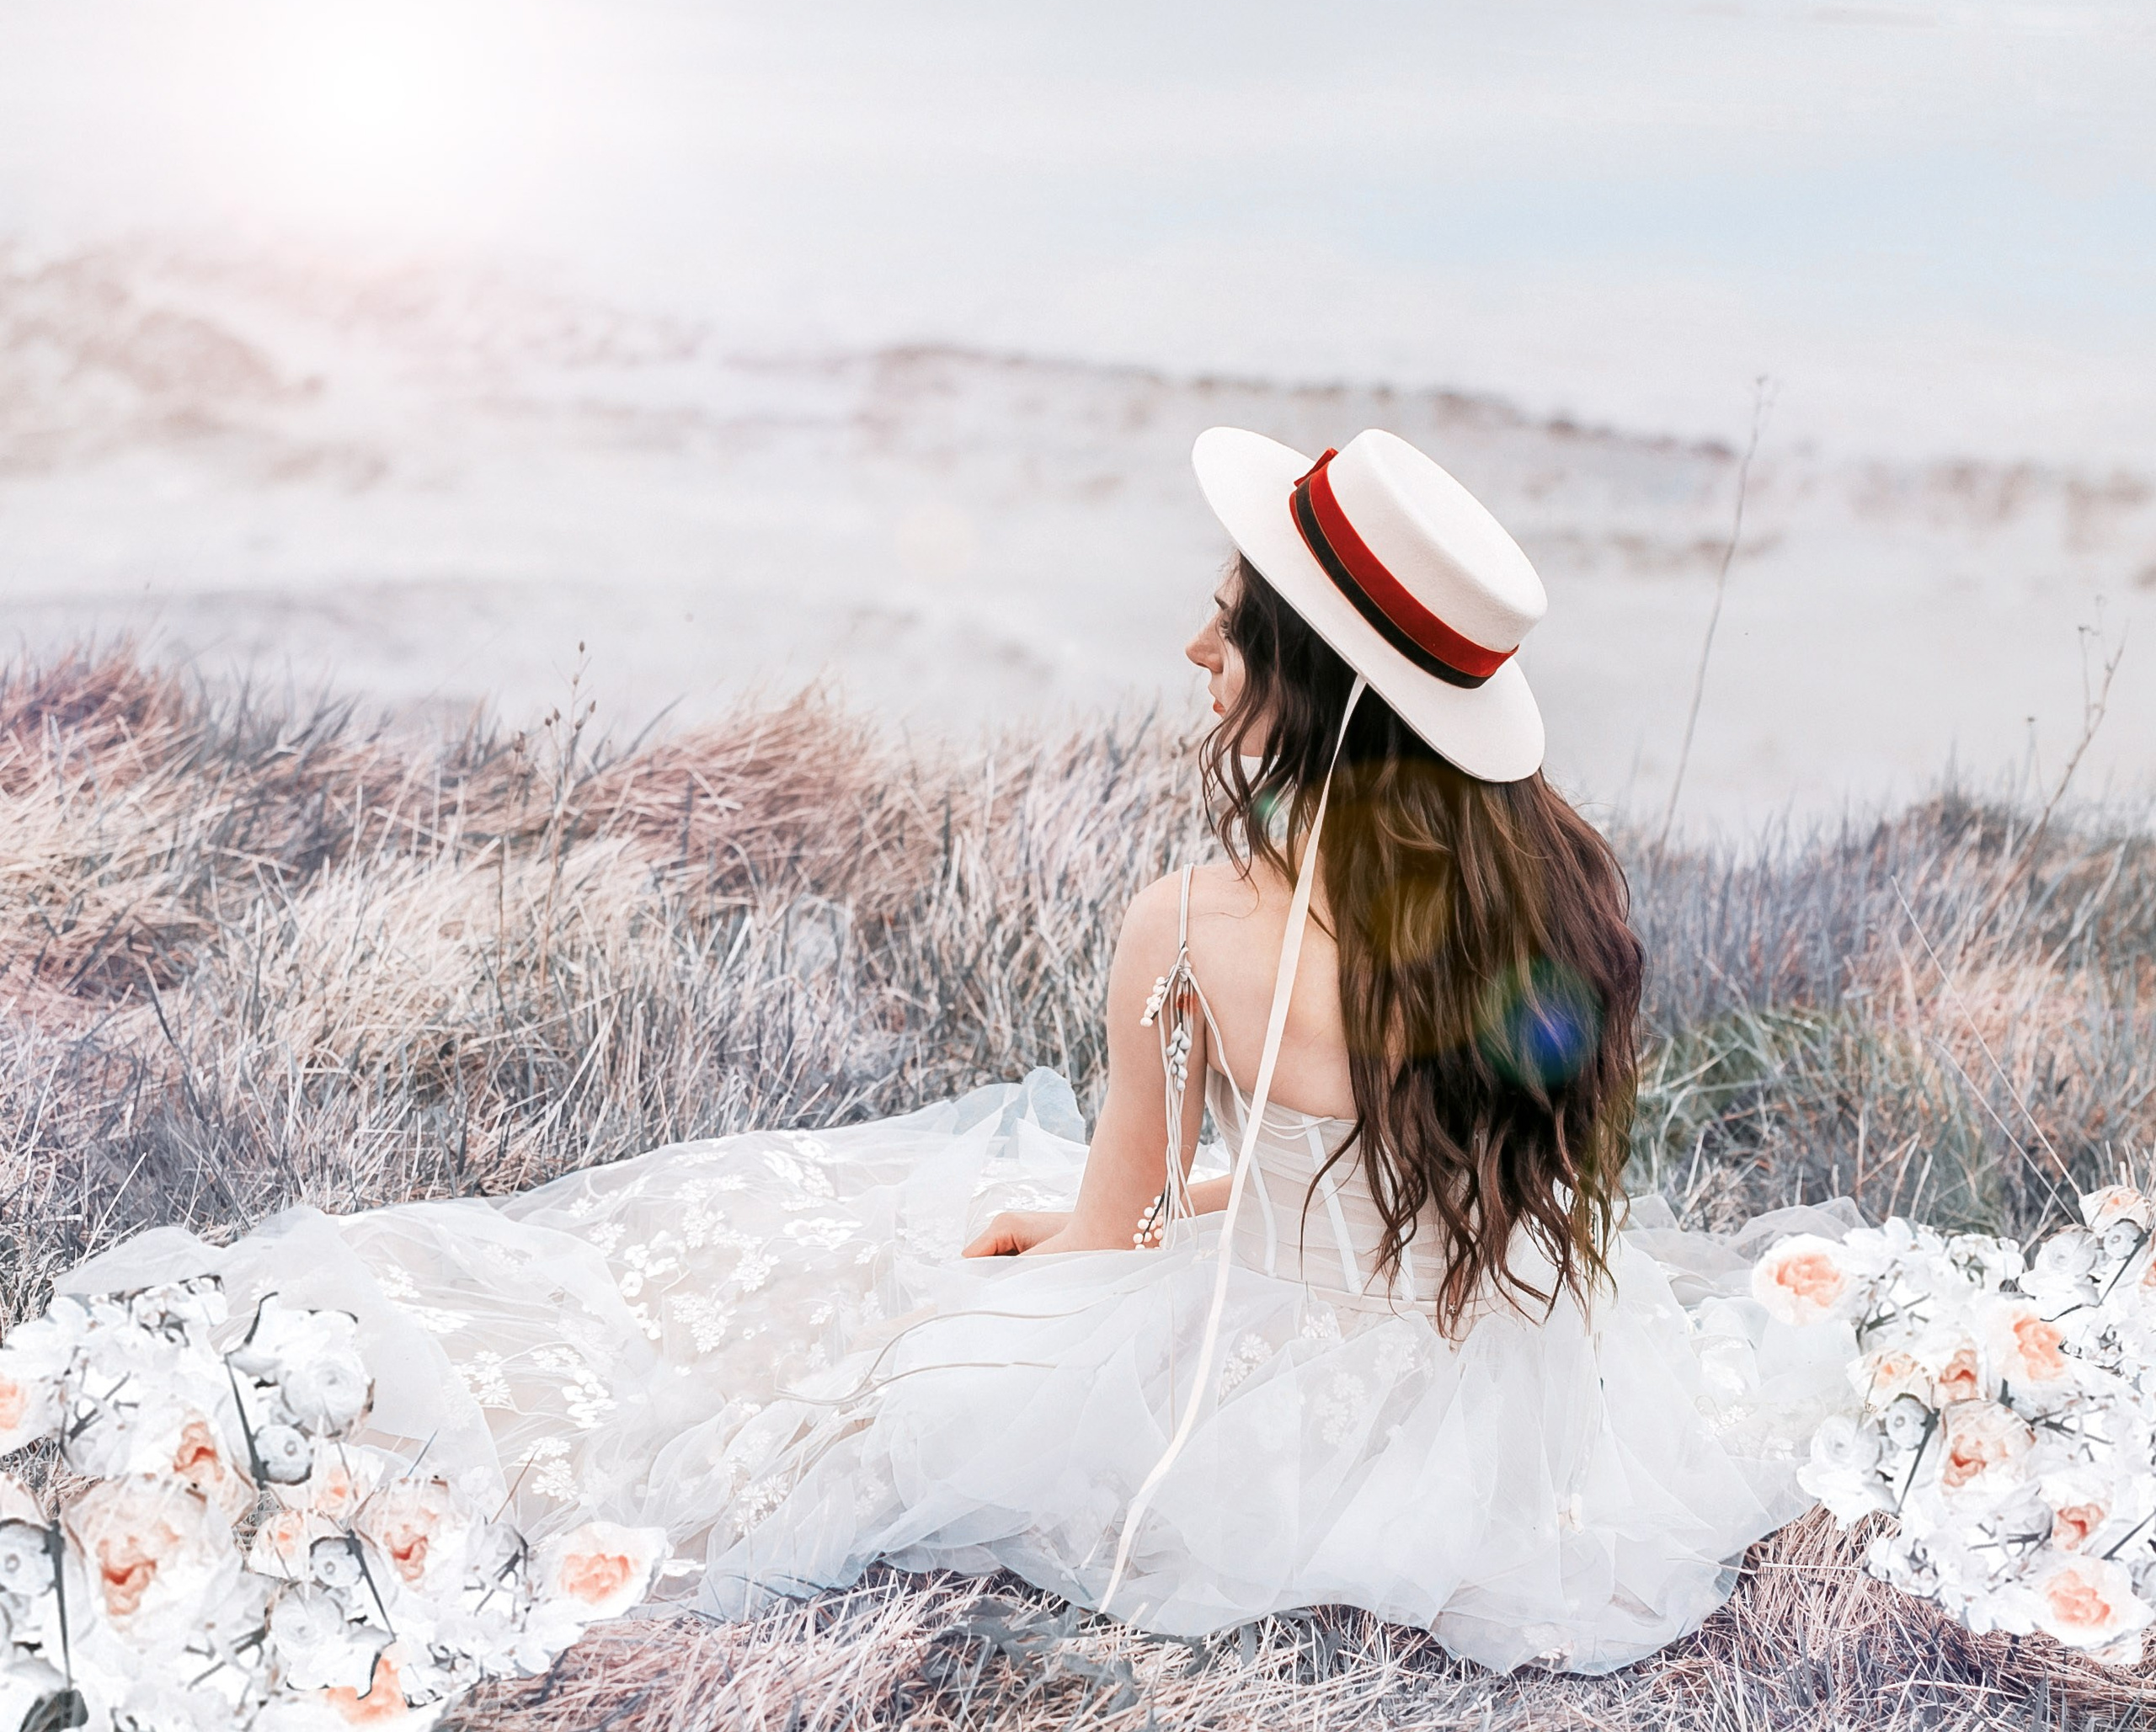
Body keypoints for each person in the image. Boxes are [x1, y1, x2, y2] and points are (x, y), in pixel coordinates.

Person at [59, 429, 1853, 1676]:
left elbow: (1115, 1228)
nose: (1192, 640)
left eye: (1225, 616)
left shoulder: (1189, 923)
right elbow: (1399, 1178)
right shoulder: (1544, 907)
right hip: (1513, 1398)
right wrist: (1230, 1194)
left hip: (1268, 1394)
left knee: (870, 1293)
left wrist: (1049, 1250)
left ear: (1295, 675)